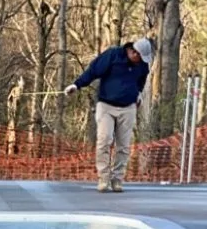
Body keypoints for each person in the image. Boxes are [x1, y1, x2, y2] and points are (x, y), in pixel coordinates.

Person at [64, 36, 151, 193]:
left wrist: (138, 93)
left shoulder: (143, 65)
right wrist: (77, 85)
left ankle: (117, 179)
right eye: (139, 57)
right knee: (104, 140)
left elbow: (141, 81)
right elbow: (93, 71)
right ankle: (104, 178)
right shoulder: (113, 55)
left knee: (123, 146)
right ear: (133, 51)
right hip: (106, 105)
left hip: (128, 108)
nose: (140, 61)